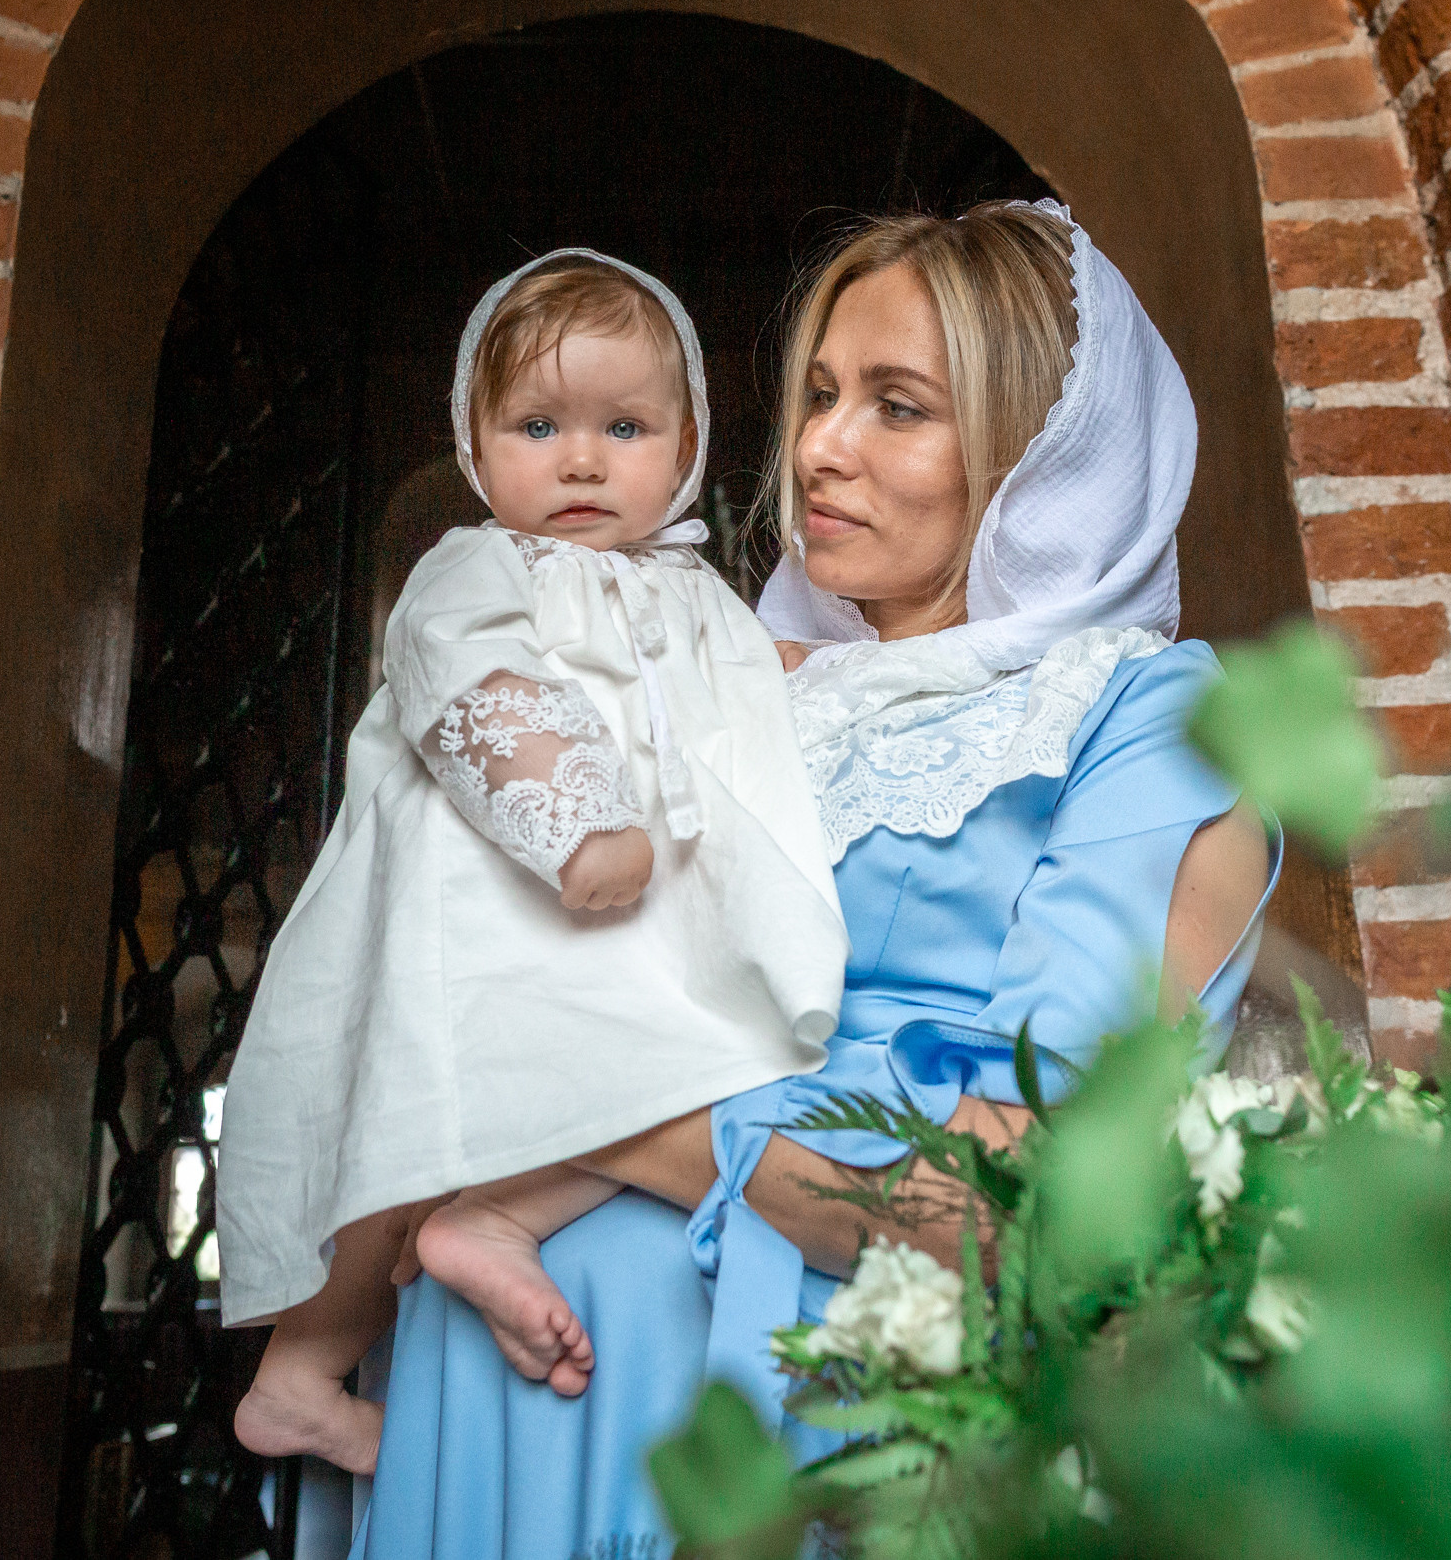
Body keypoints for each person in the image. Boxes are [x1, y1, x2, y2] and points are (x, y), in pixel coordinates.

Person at [339, 200, 1275, 1556]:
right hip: (497, 1367)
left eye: (898, 406)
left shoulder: (1144, 718)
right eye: (821, 394)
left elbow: (1028, 1200)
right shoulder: (725, 681)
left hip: (805, 1404)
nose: (819, 448)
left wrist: (572, 1111)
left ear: (1038, 455)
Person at [218, 252, 851, 1471]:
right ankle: (303, 1365)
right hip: (498, 889)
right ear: (473, 438)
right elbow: (471, 679)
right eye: (538, 424)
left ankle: (481, 1225)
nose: (578, 460)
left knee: (668, 1070)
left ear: (687, 444)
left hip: (628, 918)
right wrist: (573, 814)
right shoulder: (479, 567)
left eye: (623, 426)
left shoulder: (698, 590)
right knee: (409, 1103)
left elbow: (760, 688)